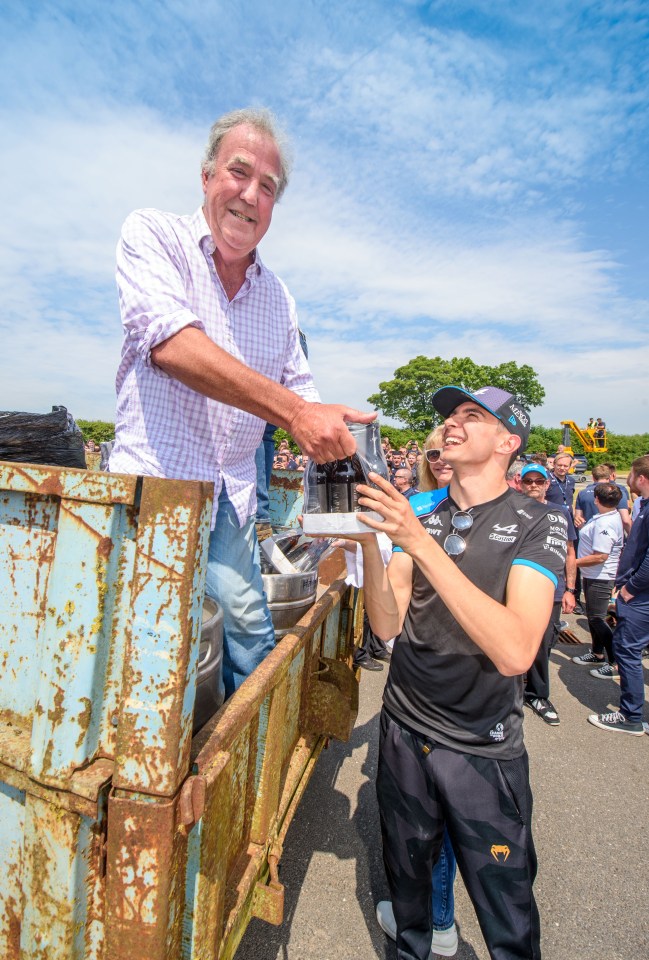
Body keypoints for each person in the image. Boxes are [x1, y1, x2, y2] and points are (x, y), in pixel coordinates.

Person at [109, 107, 374, 698]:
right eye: (238, 172)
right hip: (154, 487)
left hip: (230, 496)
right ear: (206, 177)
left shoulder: (278, 297)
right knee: (154, 646)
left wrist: (344, 443)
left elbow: (301, 394)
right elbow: (175, 346)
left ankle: (238, 772)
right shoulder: (153, 234)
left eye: (268, 188)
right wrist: (299, 414)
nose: (250, 195)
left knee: (250, 634)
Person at [353, 385, 566, 960]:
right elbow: (387, 621)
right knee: (408, 886)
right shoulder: (422, 510)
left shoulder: (539, 522)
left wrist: (419, 545)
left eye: (473, 416)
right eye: (451, 415)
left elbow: (516, 652)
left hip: (480, 744)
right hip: (402, 727)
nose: (452, 423)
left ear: (507, 441)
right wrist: (371, 545)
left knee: (507, 911)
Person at [377, 424, 459, 956]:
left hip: (468, 688)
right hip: (415, 675)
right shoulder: (417, 507)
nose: (441, 457)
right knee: (413, 814)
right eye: (434, 451)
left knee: (452, 818)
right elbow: (392, 603)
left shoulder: (512, 516)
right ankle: (427, 917)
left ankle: (438, 917)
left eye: (448, 447)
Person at [588, 456, 649, 735]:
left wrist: (629, 588)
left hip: (640, 596)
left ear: (641, 478)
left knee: (627, 650)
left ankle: (631, 716)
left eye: (632, 474)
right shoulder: (643, 505)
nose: (627, 479)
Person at [519, 463, 577, 725]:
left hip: (551, 589)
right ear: (520, 484)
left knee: (543, 643)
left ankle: (537, 694)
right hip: (516, 587)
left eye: (538, 481)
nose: (533, 485)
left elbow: (569, 553)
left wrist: (571, 590)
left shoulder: (559, 512)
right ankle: (509, 692)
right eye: (528, 481)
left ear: (546, 484)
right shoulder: (511, 510)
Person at [571, 483, 624, 677]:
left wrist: (572, 563)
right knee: (593, 617)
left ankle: (615, 662)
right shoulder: (605, 517)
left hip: (601, 575)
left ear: (596, 499)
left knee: (597, 618)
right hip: (592, 574)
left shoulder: (606, 522)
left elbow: (600, 555)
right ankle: (596, 653)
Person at [574, 464, 631, 535]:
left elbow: (578, 518)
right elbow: (625, 520)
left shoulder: (583, 493)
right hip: (612, 533)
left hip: (590, 534)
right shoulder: (617, 492)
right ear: (610, 476)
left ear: (593, 477)